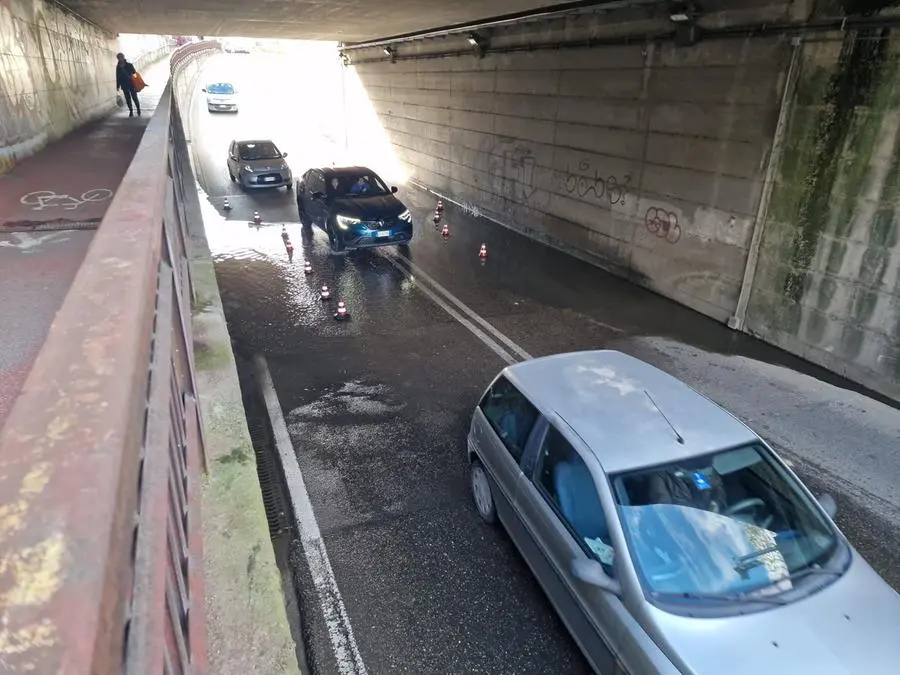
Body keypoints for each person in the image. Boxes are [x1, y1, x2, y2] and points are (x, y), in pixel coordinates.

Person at [115, 53, 141, 118]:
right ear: (118, 58)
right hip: (124, 84)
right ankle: (131, 111)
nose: (120, 58)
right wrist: (117, 86)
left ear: (124, 57)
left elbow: (134, 73)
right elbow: (117, 77)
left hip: (131, 84)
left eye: (121, 57)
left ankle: (138, 109)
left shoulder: (129, 65)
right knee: (128, 98)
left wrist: (134, 78)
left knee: (134, 97)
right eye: (119, 57)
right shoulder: (118, 67)